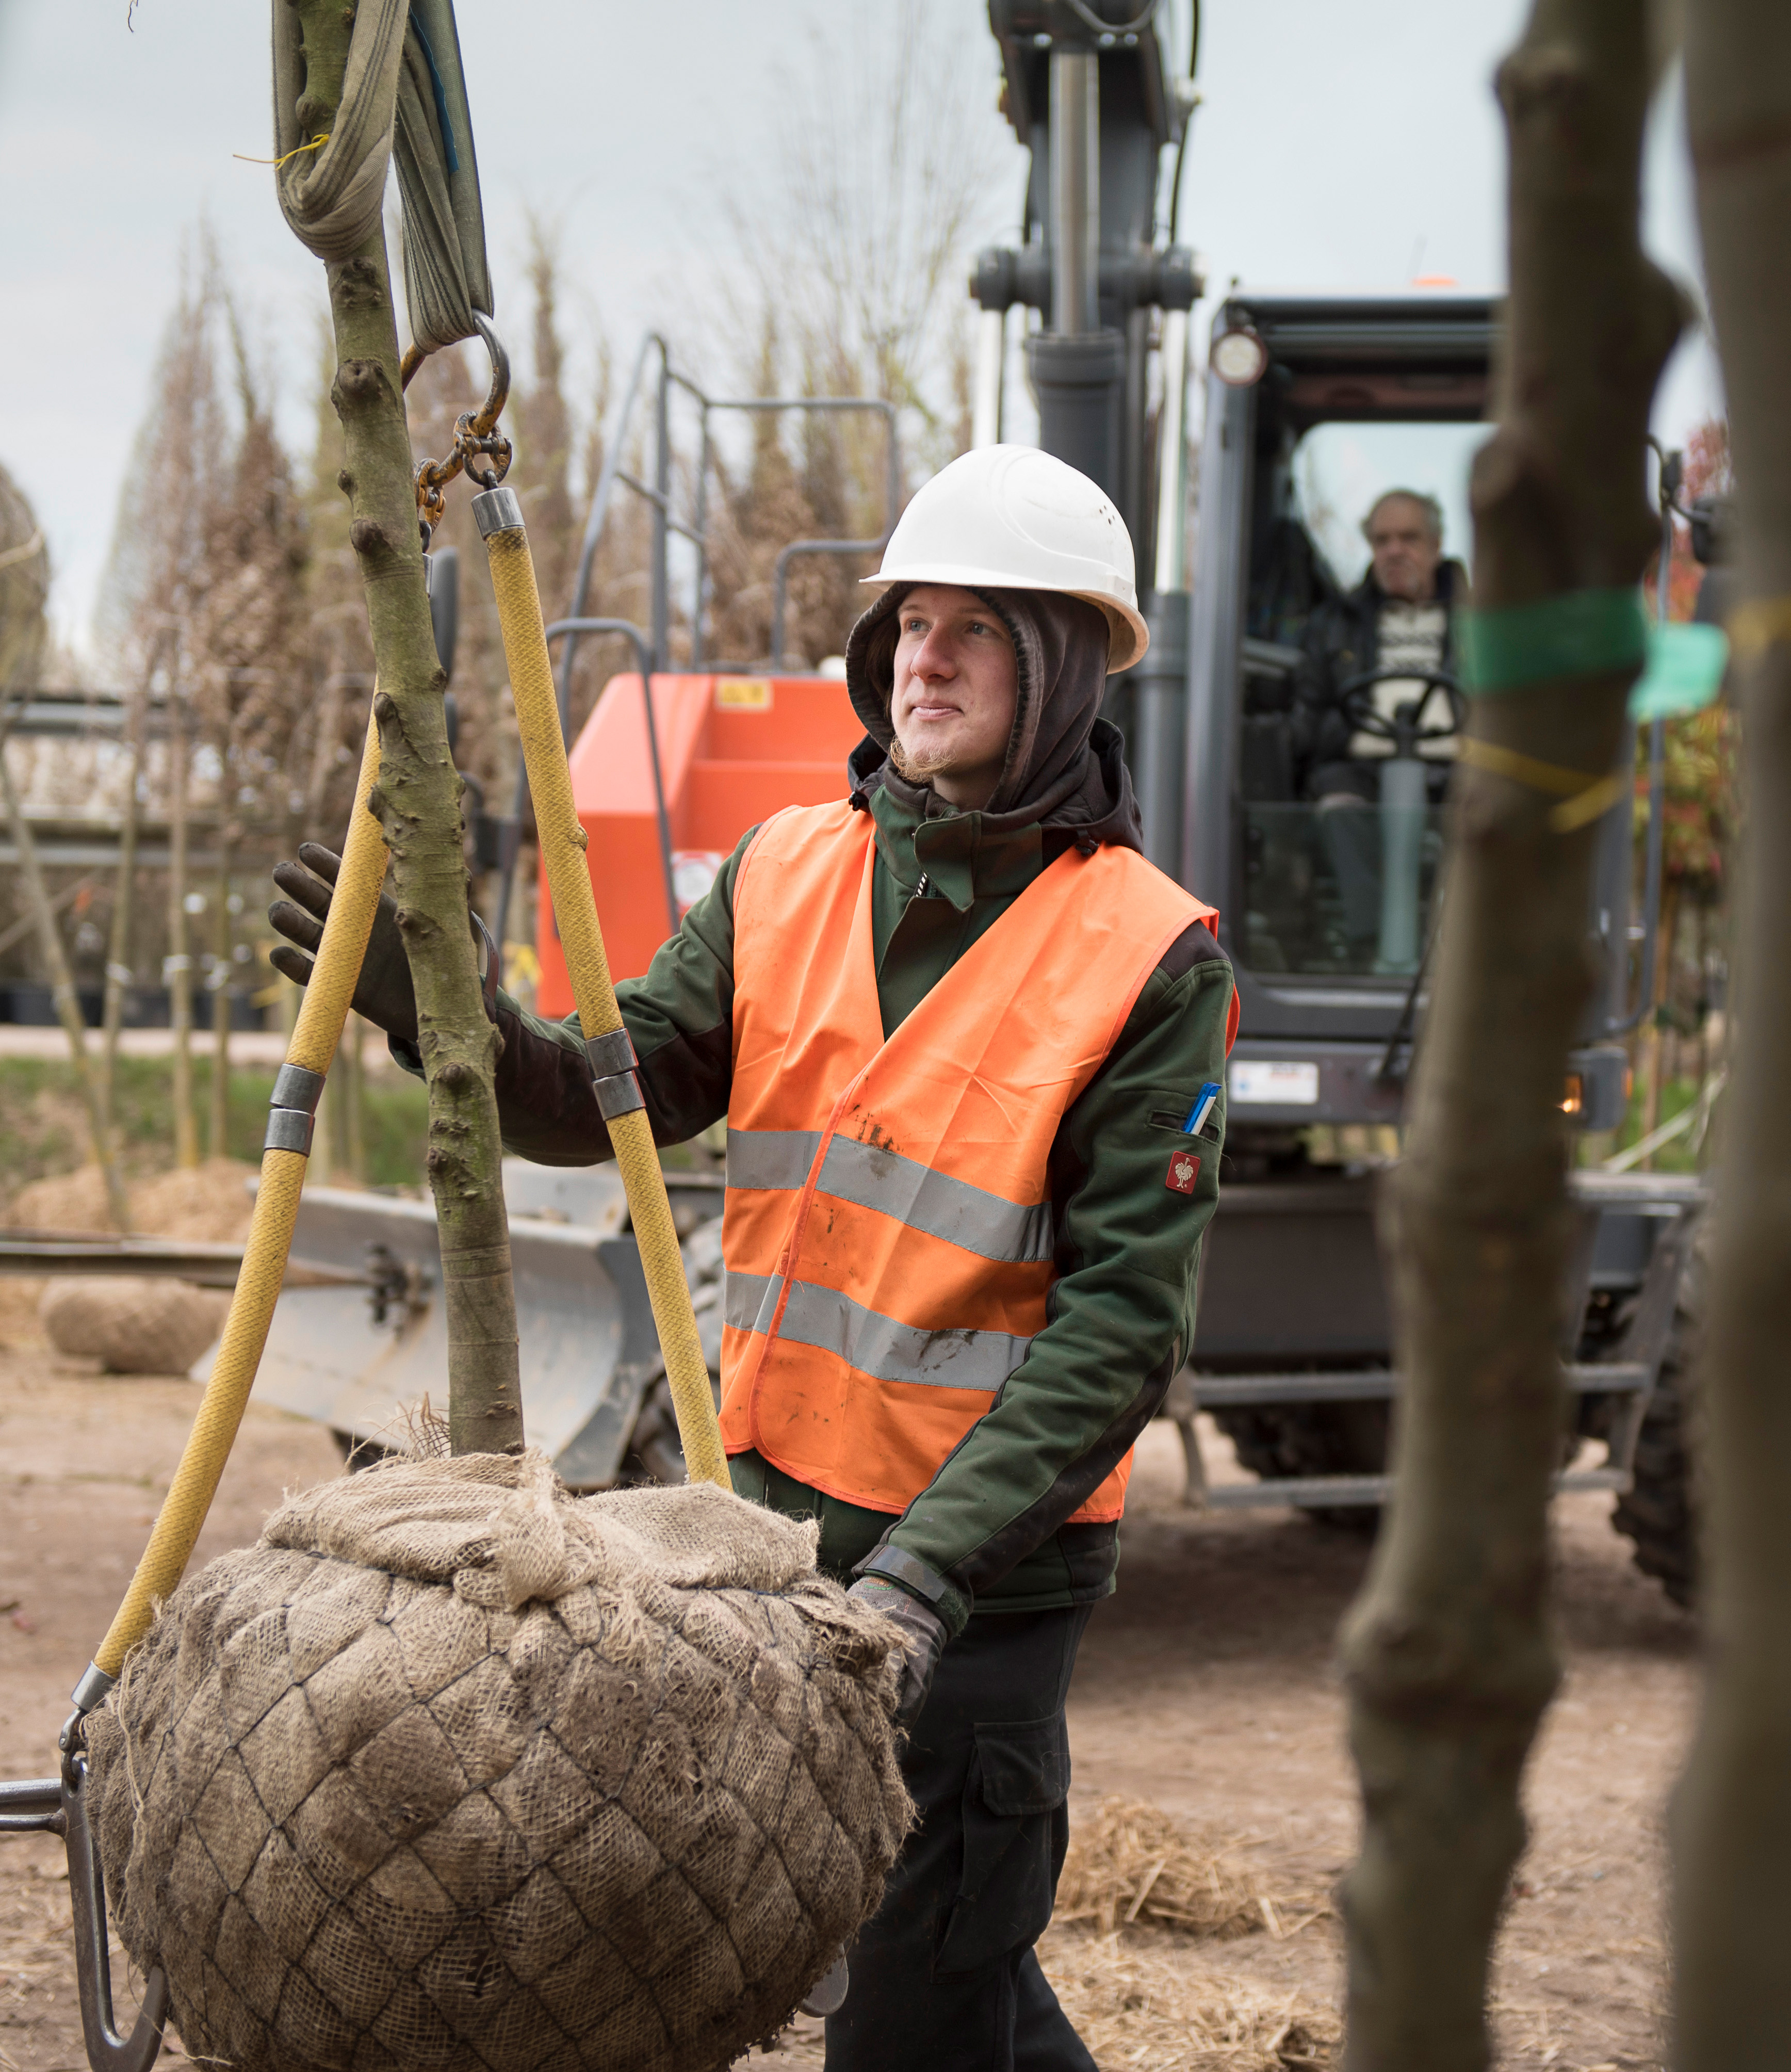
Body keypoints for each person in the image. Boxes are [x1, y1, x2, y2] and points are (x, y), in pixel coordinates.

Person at [268, 444, 1238, 2072]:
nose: (919, 660)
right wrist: (442, 1018)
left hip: (973, 1587)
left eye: (971, 632)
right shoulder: (788, 870)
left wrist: (926, 1577)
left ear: (1058, 667)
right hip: (778, 1532)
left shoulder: (1147, 955)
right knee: (942, 1970)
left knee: (913, 2003)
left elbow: (1121, 1330)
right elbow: (612, 1097)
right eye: (905, 625)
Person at [1291, 488, 1467, 958]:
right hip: (1363, 772)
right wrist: (1359, 731)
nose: (1394, 551)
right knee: (1336, 802)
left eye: (1408, 538)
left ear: (1436, 545)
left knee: (1488, 811)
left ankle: (1461, 952)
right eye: (1382, 540)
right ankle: (1371, 944)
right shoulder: (1336, 624)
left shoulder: (1481, 623)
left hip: (1456, 774)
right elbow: (1307, 724)